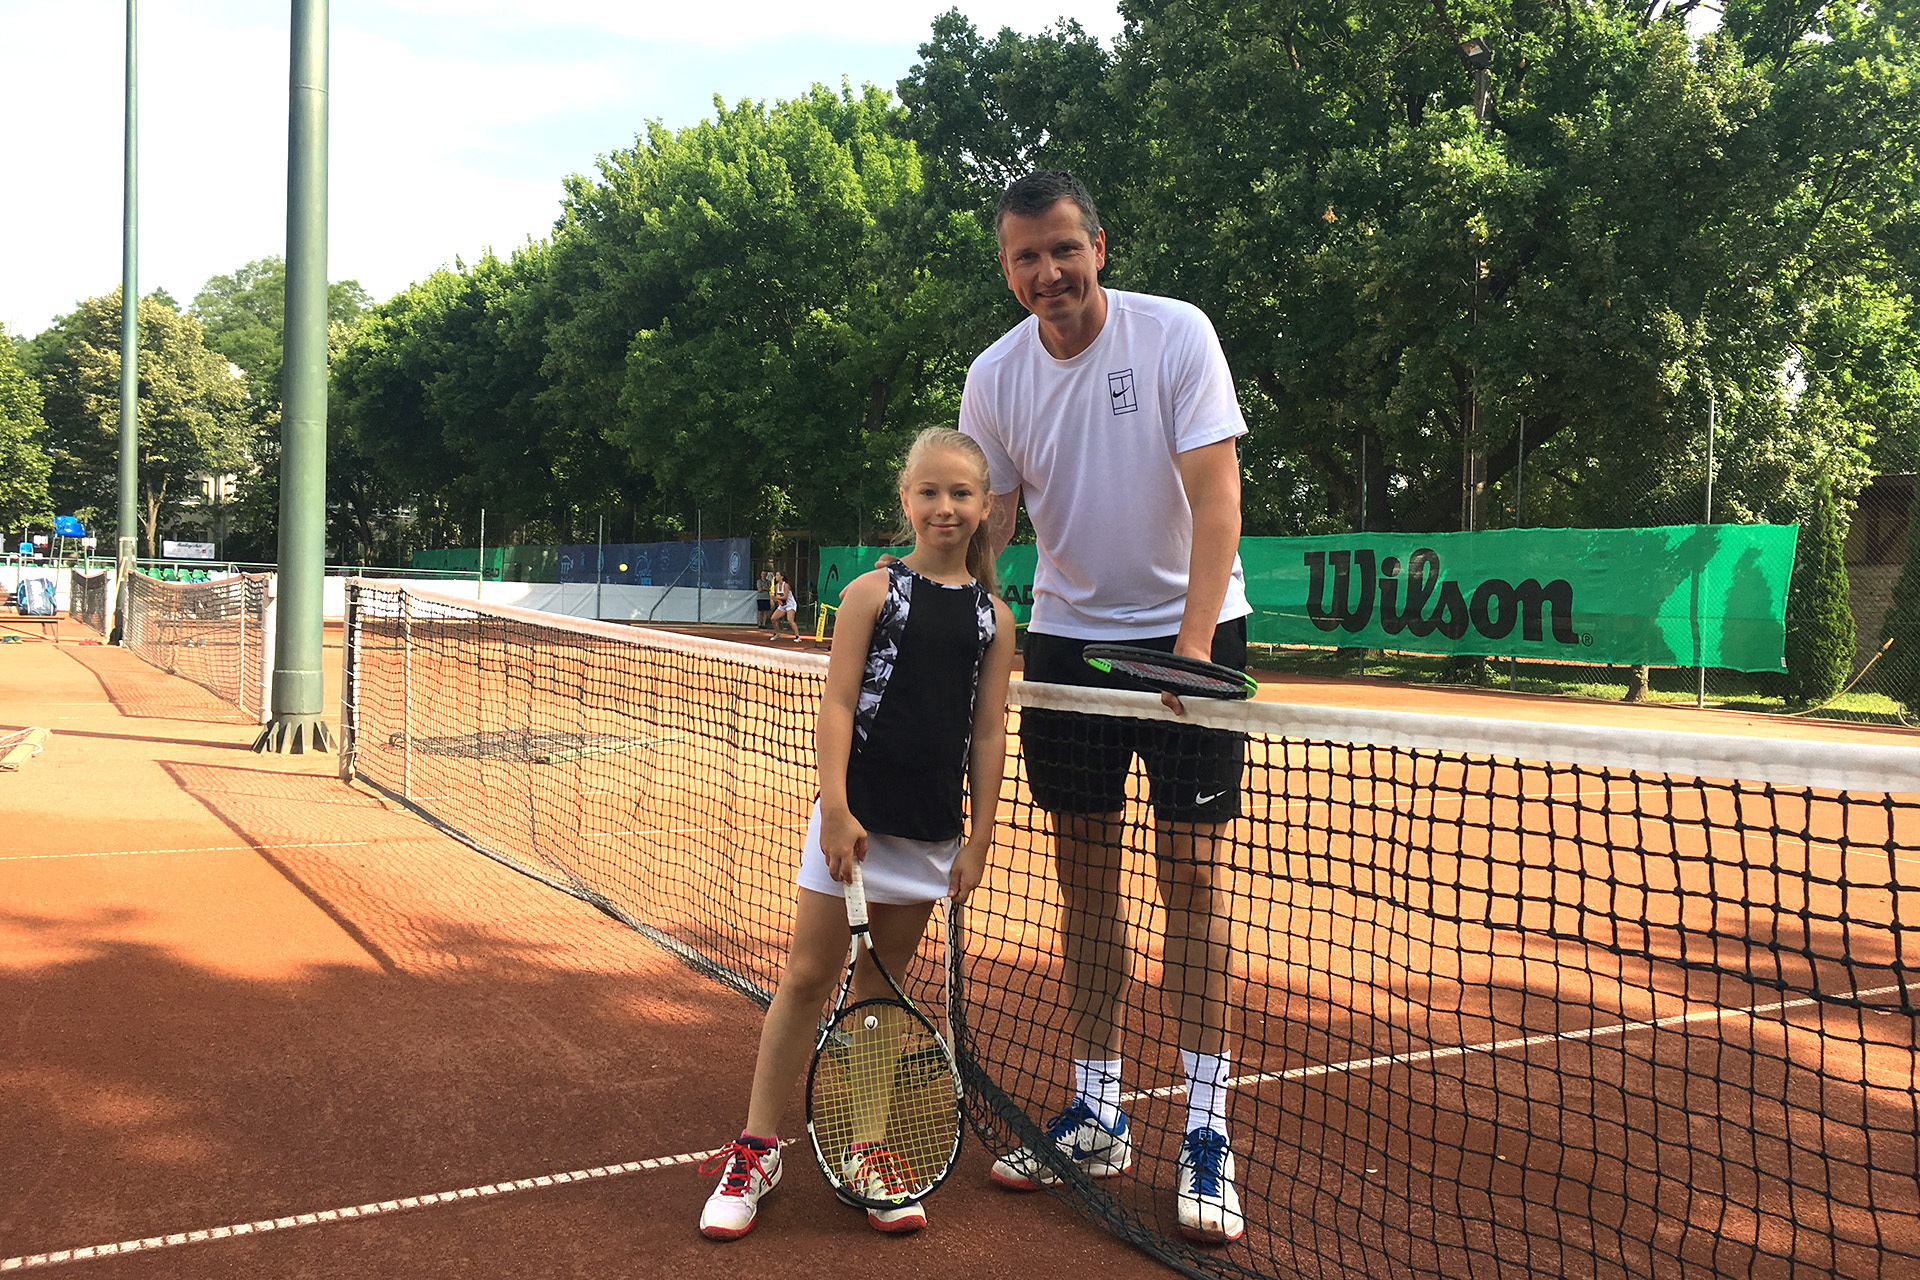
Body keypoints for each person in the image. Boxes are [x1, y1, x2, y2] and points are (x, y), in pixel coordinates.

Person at [959, 170, 1251, 1244]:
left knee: (1194, 877)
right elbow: (993, 519)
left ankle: (1207, 1128)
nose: (1048, 273)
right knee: (1084, 877)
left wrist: (1189, 650)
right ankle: (1099, 1109)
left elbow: (1216, 496)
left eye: (1063, 249)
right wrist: (965, 615)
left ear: (1099, 247)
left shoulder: (1175, 335)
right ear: (1008, 268)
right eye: (1025, 257)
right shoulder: (994, 376)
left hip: (1192, 633)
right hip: (1069, 642)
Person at [699, 427, 1018, 1241]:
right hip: (854, 826)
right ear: (905, 500)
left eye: (961, 493)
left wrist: (980, 837)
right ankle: (756, 1149)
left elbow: (987, 732)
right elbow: (838, 703)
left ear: (986, 506)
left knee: (881, 991)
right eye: (929, 492)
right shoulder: (873, 593)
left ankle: (866, 1149)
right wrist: (836, 810)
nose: (944, 507)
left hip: (930, 835)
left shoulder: (993, 618)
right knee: (808, 977)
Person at [769, 571, 801, 640]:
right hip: (782, 605)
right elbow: (777, 598)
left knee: (790, 620)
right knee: (773, 618)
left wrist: (776, 598)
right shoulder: (776, 586)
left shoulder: (786, 585)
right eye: (776, 575)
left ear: (782, 577)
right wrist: (773, 599)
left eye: (777, 575)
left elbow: (785, 597)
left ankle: (797, 636)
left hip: (790, 604)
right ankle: (777, 633)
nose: (776, 577)